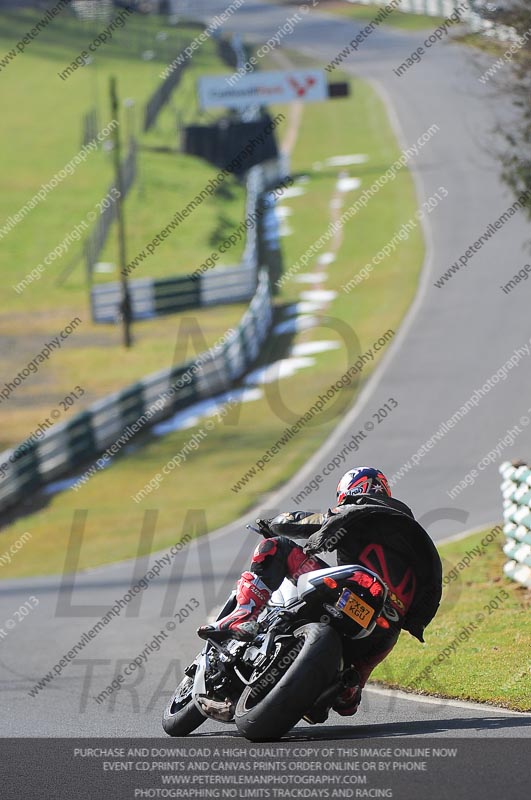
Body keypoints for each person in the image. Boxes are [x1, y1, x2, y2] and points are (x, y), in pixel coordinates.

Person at [197, 466, 443, 717]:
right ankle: (345, 687)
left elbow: (302, 522)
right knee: (350, 697)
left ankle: (244, 615)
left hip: (354, 587)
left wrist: (273, 524)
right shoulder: (415, 537)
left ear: (351, 489)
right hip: (386, 627)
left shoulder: (362, 509)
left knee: (275, 547)